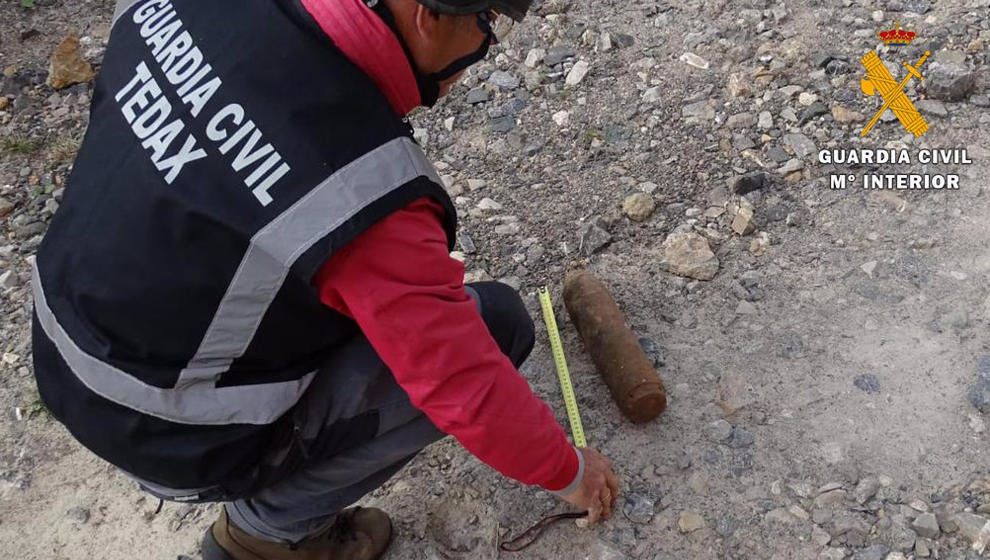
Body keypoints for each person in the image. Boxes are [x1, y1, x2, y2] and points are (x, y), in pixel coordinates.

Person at [30, 0, 619, 558]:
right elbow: (463, 383)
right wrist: (569, 471)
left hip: (60, 344)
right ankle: (270, 530)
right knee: (496, 328)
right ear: (428, 17)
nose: (486, 47)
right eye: (489, 23)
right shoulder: (360, 188)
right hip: (161, 431)